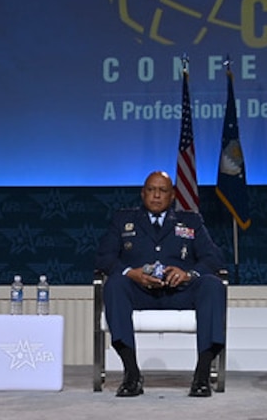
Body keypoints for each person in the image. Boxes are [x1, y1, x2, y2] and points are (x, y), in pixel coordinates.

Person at [95, 170, 227, 398]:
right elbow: (103, 258)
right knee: (115, 283)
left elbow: (214, 259)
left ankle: (202, 375)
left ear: (172, 196)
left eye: (162, 190)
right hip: (139, 292)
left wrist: (189, 274)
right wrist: (131, 273)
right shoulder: (122, 220)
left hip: (180, 292)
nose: (156, 195)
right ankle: (132, 374)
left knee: (213, 285)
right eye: (151, 190)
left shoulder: (191, 221)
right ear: (142, 193)